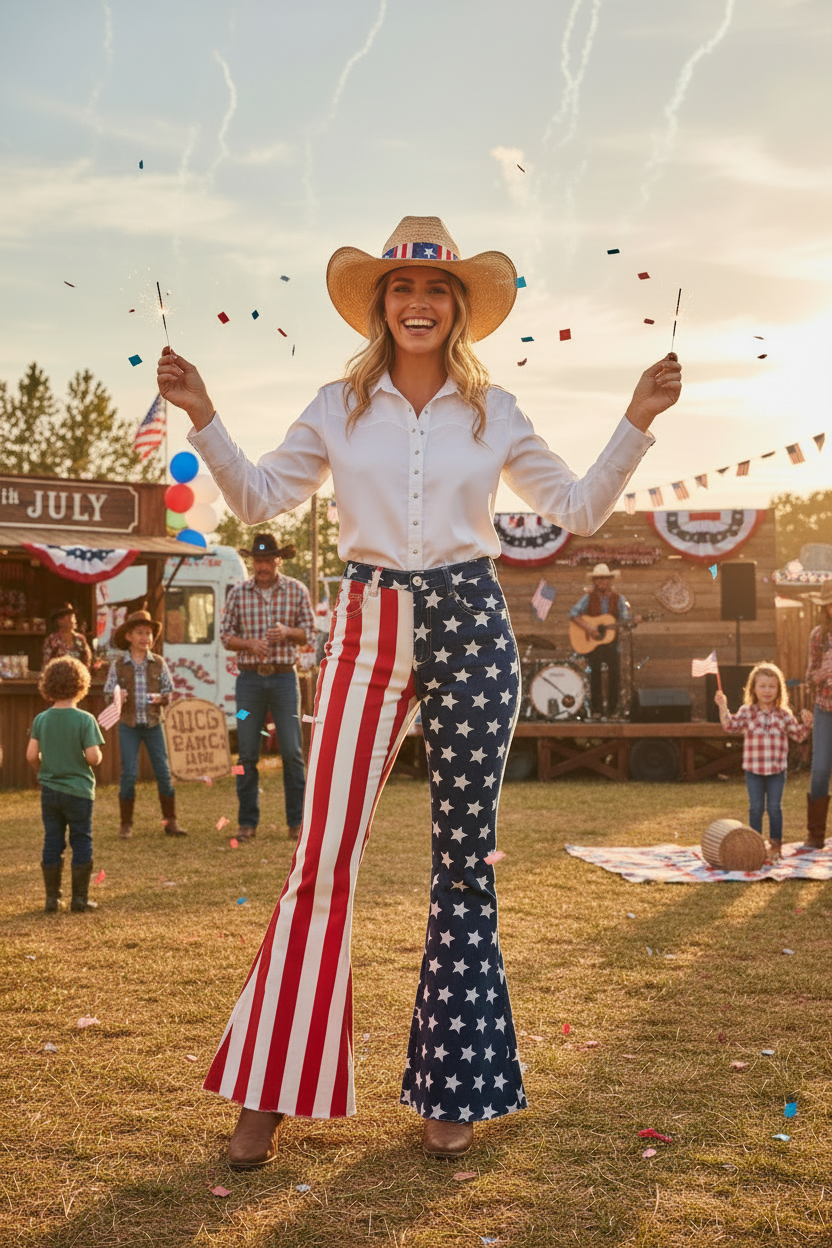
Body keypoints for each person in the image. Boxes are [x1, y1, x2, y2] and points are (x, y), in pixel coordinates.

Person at [158, 214, 681, 1165]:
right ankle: (270, 1093)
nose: (419, 302)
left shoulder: (498, 412)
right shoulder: (335, 406)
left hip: (472, 622)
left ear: (461, 310)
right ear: (379, 305)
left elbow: (574, 507)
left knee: (464, 862)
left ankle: (456, 1086)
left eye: (437, 290)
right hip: (363, 622)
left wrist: (636, 421)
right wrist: (203, 412)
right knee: (323, 852)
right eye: (403, 288)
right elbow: (260, 498)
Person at [221, 533, 316, 842]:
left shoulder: (296, 590)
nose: (262, 566)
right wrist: (251, 644)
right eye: (257, 560)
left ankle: (297, 822)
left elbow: (310, 634)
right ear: (253, 561)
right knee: (247, 753)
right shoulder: (238, 593)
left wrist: (287, 632)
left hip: (284, 678)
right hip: (248, 679)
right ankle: (246, 822)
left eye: (267, 560)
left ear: (279, 560)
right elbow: (225, 636)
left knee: (292, 751)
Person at [27, 656, 104, 912]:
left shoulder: (41, 719)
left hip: (50, 791)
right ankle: (79, 899)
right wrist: (90, 758)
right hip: (79, 792)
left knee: (53, 840)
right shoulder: (85, 720)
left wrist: (43, 771)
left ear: (48, 685)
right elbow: (93, 757)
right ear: (81, 684)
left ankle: (52, 899)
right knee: (81, 840)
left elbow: (30, 755)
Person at [715, 662, 812, 859]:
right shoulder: (748, 711)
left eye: (772, 686)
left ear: (778, 690)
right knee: (756, 808)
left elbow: (799, 735)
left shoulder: (783, 714)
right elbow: (729, 726)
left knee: (775, 808)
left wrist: (808, 724)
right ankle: (755, 845)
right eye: (763, 686)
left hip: (777, 770)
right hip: (753, 770)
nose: (767, 691)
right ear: (754, 688)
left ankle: (776, 846)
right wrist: (722, 706)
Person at [103, 609, 186, 839]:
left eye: (149, 633)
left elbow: (169, 691)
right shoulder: (119, 664)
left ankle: (171, 822)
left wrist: (162, 698)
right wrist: (119, 696)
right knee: (129, 773)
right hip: (128, 724)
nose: (145, 638)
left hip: (153, 724)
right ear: (129, 636)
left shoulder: (158, 663)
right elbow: (108, 693)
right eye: (140, 633)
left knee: (163, 772)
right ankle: (126, 824)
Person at [568, 564, 631, 717]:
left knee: (614, 674)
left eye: (605, 578)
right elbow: (573, 614)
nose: (602, 581)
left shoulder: (619, 599)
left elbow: (624, 619)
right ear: (595, 581)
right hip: (593, 643)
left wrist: (630, 622)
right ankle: (596, 710)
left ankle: (612, 711)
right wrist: (590, 628)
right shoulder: (588, 598)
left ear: (610, 580)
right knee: (594, 674)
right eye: (599, 579)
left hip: (611, 643)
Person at [805, 588, 832, 848]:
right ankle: (815, 835)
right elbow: (809, 678)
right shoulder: (819, 636)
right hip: (826, 709)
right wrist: (822, 673)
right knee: (821, 769)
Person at [42, 603, 93, 669]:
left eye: (72, 616)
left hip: (78, 676)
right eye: (67, 616)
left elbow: (87, 661)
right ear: (59, 621)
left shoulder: (80, 639)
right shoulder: (52, 640)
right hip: (58, 677)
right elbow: (46, 664)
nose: (71, 619)